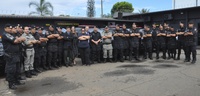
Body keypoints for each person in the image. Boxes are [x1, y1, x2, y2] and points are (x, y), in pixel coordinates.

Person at [2, 24, 25, 89]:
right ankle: (11, 84)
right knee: (11, 70)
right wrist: (19, 39)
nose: (10, 29)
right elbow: (15, 41)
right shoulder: (5, 35)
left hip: (16, 54)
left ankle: (16, 81)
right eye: (9, 28)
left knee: (17, 69)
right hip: (10, 55)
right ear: (5, 28)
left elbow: (19, 39)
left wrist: (19, 39)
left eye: (11, 28)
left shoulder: (12, 34)